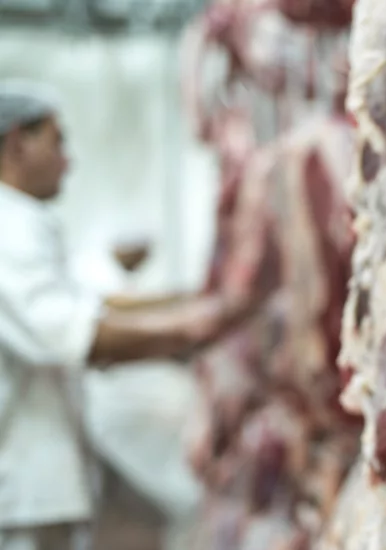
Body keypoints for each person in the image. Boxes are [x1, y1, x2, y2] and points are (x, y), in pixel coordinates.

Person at [0, 80, 274, 549]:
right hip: (23, 485)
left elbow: (88, 304)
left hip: (39, 482)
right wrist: (205, 323)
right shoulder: (10, 224)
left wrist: (205, 303)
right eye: (56, 140)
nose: (68, 159)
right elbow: (77, 333)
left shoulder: (23, 221)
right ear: (14, 142)